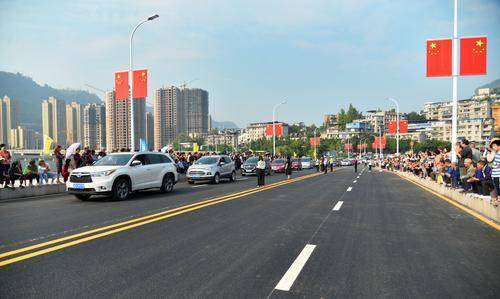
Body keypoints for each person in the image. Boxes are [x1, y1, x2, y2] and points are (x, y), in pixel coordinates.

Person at [486, 138, 500, 206]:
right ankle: (496, 198)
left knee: (497, 186)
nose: (493, 147)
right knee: (496, 186)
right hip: (494, 172)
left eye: (494, 146)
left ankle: (498, 199)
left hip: (497, 173)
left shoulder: (497, 152)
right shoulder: (496, 152)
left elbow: (490, 159)